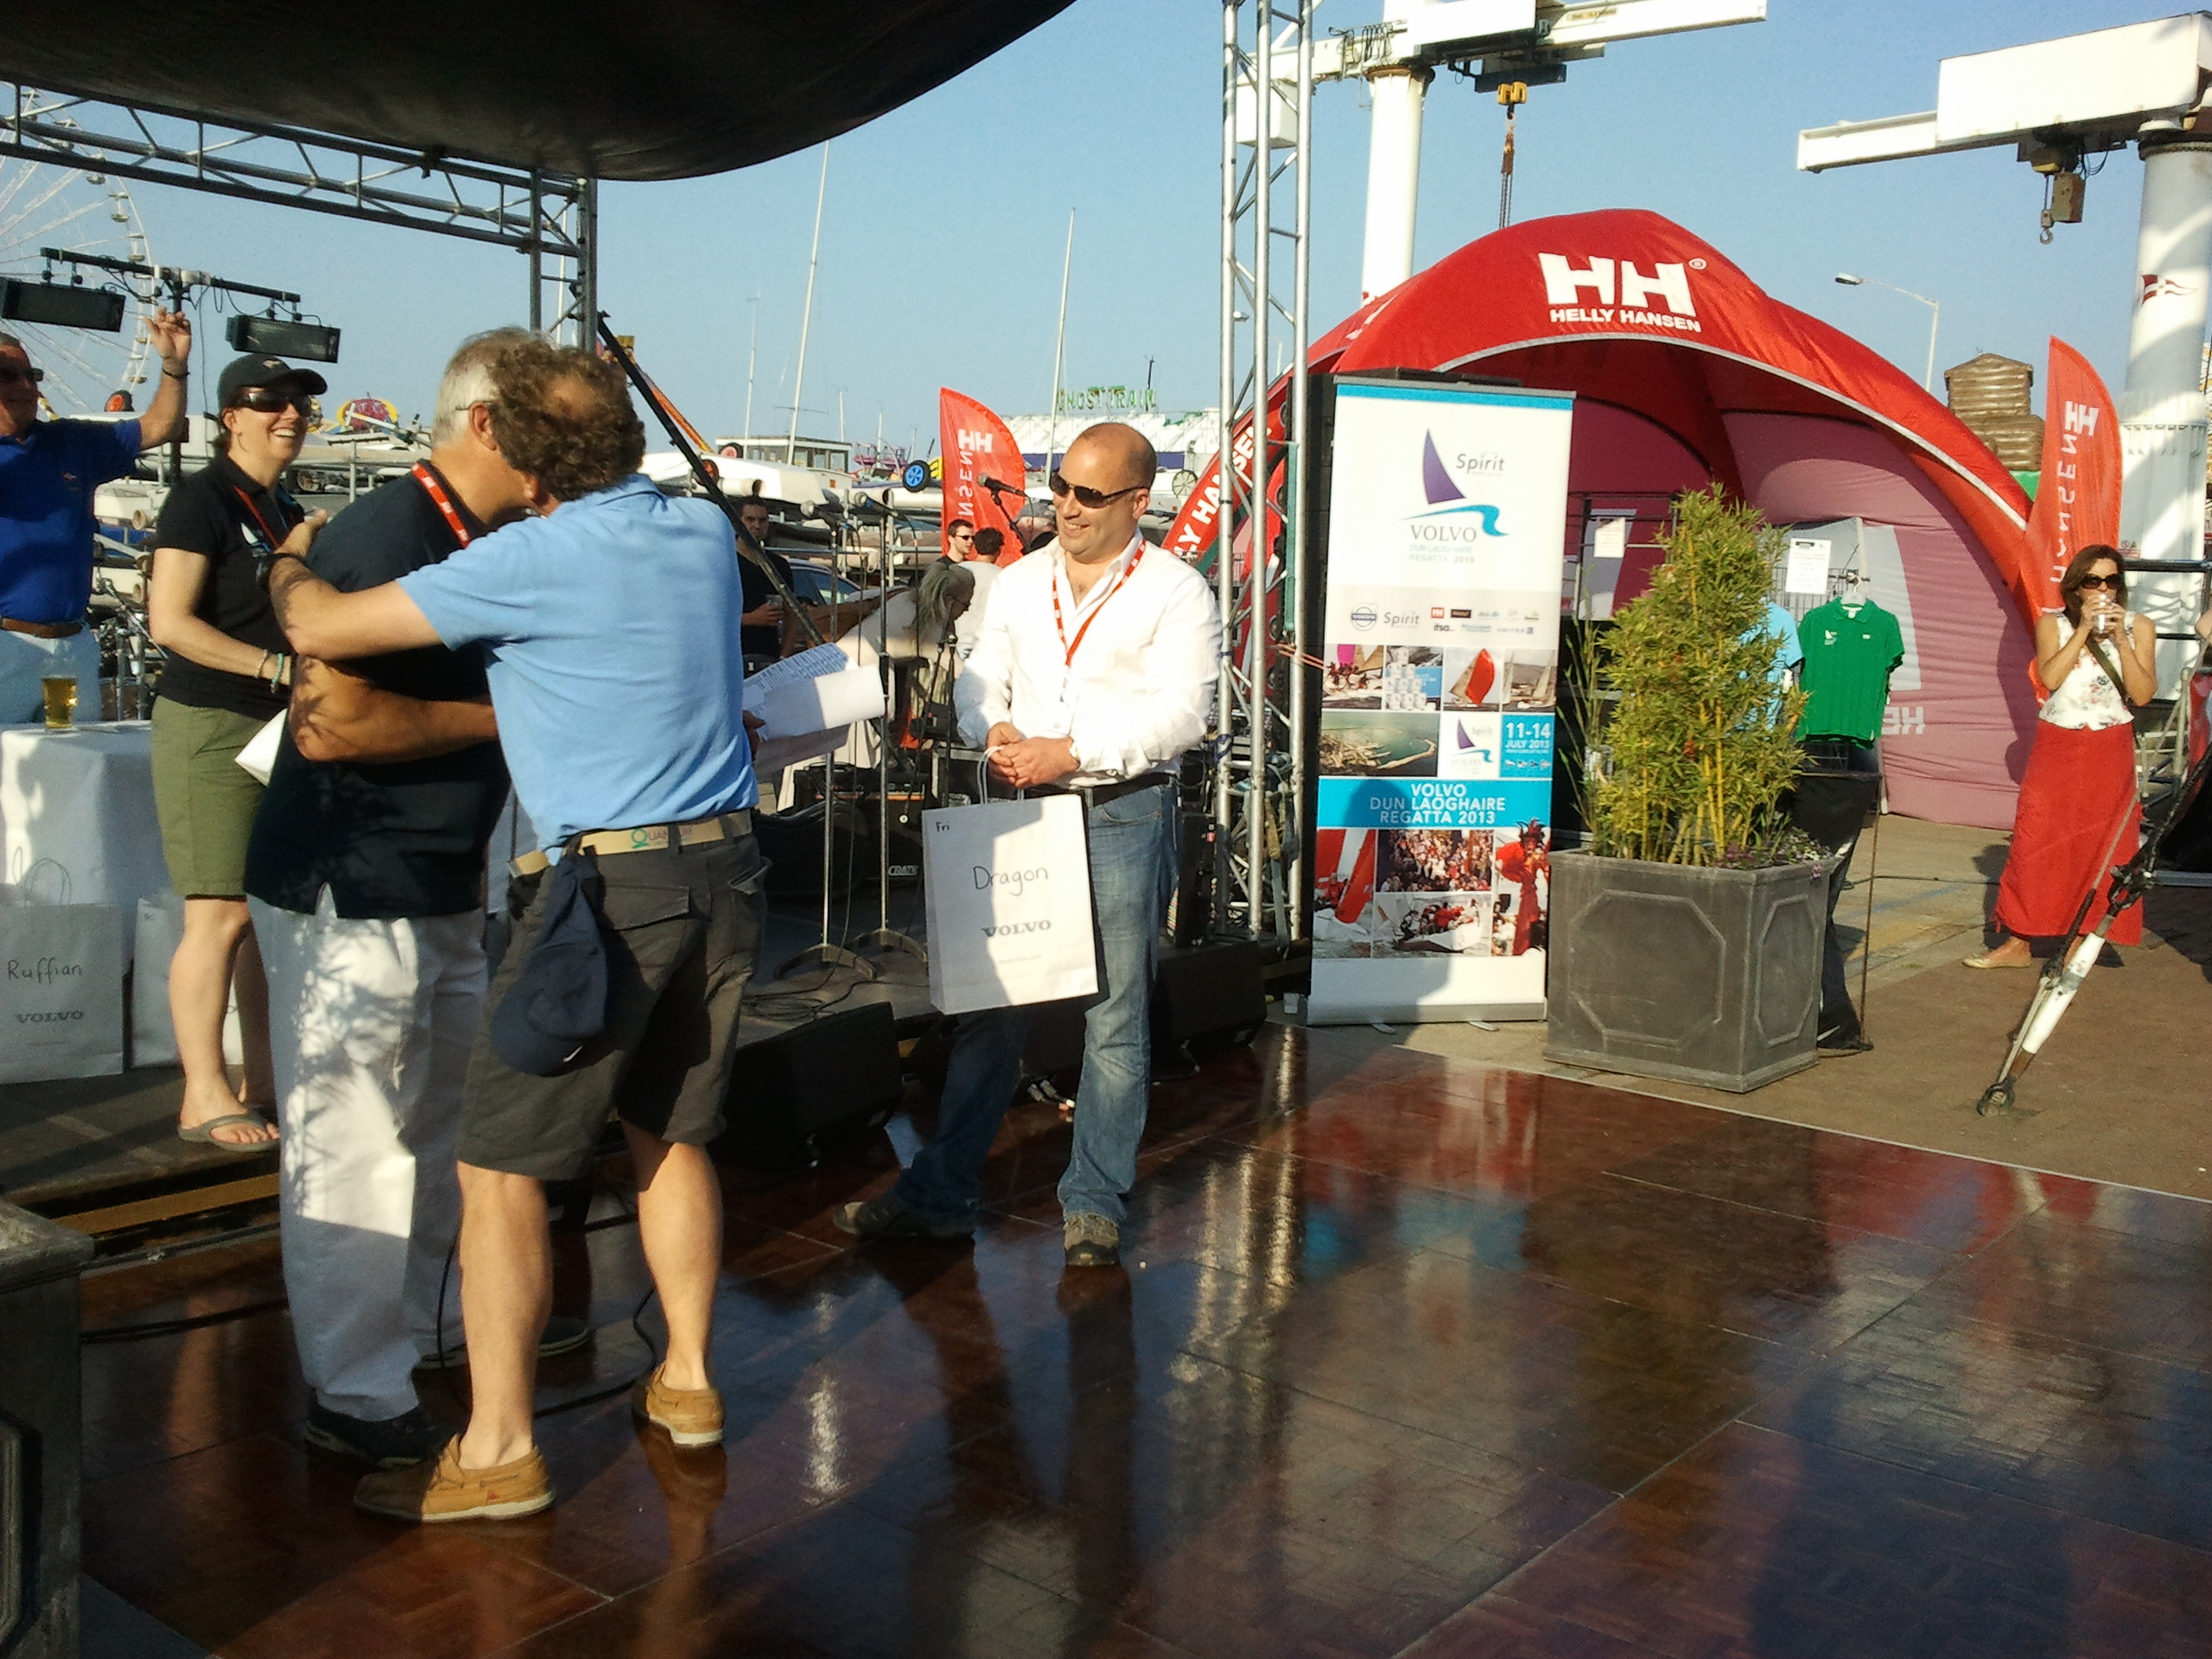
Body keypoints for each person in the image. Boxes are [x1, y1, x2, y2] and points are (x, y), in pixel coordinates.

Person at [264, 336, 766, 1523]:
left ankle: (497, 1451)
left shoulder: (528, 560)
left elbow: (322, 634)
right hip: (727, 868)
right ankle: (689, 1382)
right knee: (670, 1137)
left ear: (512, 449)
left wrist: (289, 556)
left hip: (606, 894)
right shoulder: (701, 532)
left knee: (497, 1173)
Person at [240, 330, 543, 1469]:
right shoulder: (389, 532)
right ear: (488, 423)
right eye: (553, 423)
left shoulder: (467, 536)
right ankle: (357, 1388)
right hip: (350, 886)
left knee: (434, 1125)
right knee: (356, 1137)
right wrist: (512, 719)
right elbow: (332, 725)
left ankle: (428, 1327)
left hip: (435, 877)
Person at [836, 421, 1219, 1268]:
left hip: (1121, 810)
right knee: (990, 1010)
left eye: (1089, 494)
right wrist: (995, 727)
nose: (1067, 507)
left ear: (1137, 502)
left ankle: (1093, 1206)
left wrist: (1070, 752)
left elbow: (1182, 715)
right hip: (1022, 809)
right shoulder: (1018, 581)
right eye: (1060, 489)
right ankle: (938, 1198)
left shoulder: (1177, 591)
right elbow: (980, 677)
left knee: (1113, 1018)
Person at [146, 354, 328, 1149]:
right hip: (212, 721)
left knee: (263, 919)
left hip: (276, 729)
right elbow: (169, 623)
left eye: (299, 404)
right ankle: (202, 1093)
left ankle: (266, 1078)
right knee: (217, 914)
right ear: (230, 416)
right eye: (268, 401)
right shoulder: (202, 499)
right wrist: (274, 669)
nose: (288, 414)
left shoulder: (283, 506)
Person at [0, 310, 192, 721]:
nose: (25, 386)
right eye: (7, 376)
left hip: (70, 650)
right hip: (6, 648)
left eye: (31, 375)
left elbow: (160, 426)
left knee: (73, 751)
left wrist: (174, 366)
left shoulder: (72, 442)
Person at [1973, 544, 2156, 968]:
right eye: (2093, 580)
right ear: (2076, 586)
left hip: (2110, 742)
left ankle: (2083, 937)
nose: (2103, 589)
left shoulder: (2139, 626)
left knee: (2103, 841)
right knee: (2036, 836)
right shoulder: (2052, 623)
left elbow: (2143, 693)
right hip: (2059, 740)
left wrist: (2121, 640)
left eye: (2111, 580)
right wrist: (2083, 630)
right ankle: (2019, 939)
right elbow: (2050, 677)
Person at [735, 493, 793, 664]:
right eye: (750, 519)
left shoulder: (779, 565)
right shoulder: (724, 561)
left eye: (762, 520)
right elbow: (711, 616)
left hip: (769, 657)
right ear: (737, 522)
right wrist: (751, 618)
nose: (757, 525)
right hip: (734, 656)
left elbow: (793, 614)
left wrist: (784, 656)